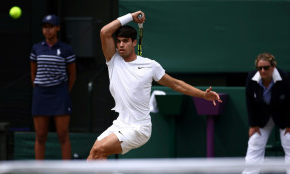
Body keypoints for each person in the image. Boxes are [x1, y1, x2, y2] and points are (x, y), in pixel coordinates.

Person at [87, 11, 222, 160]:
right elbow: (104, 32)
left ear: (134, 42)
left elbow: (177, 85)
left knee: (100, 149)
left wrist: (203, 95)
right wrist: (130, 17)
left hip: (139, 129)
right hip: (120, 123)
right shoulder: (113, 60)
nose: (120, 45)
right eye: (118, 41)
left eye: (125, 41)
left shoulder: (150, 66)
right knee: (94, 154)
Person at [30, 14, 76, 160]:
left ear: (57, 28)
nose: (47, 30)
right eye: (45, 27)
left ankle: (66, 170)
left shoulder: (66, 49)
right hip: (41, 94)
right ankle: (39, 170)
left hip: (60, 94)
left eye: (51, 27)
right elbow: (33, 74)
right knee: (40, 135)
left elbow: (72, 76)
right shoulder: (36, 48)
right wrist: (41, 88)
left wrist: (62, 92)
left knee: (62, 134)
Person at [242, 52, 290, 174]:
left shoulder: (285, 78)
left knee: (289, 140)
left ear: (273, 66)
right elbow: (250, 102)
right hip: (261, 118)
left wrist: (289, 124)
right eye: (259, 68)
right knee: (254, 142)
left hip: (284, 117)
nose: (263, 71)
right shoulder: (251, 79)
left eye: (266, 67)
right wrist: (253, 125)